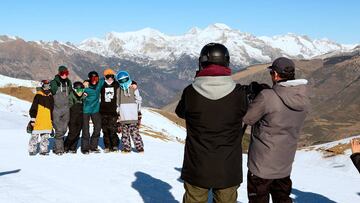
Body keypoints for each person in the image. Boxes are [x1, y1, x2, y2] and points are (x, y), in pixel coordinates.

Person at [175, 43, 248, 203]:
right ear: (227, 62)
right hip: (228, 168)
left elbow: (180, 112)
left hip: (197, 166)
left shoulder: (190, 92)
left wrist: (198, 80)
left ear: (201, 63)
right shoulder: (240, 94)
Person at [243, 57, 310, 203]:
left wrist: (254, 100)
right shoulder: (303, 98)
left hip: (261, 165)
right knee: (282, 199)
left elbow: (248, 119)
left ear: (275, 74)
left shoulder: (267, 97)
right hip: (284, 164)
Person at [116, 71, 144, 153]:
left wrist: (138, 112)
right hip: (123, 116)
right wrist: (118, 114)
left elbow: (139, 100)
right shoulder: (118, 90)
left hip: (132, 115)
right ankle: (127, 148)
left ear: (128, 79)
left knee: (135, 133)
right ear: (119, 81)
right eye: (122, 81)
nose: (124, 82)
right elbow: (117, 103)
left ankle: (140, 148)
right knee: (125, 134)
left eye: (125, 80)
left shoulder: (133, 88)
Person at [50, 65, 72, 155]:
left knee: (64, 130)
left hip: (66, 109)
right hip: (56, 109)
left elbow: (70, 93)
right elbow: (52, 91)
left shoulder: (68, 82)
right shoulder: (54, 82)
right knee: (59, 130)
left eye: (66, 73)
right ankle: (59, 149)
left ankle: (56, 146)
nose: (64, 75)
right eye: (62, 73)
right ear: (59, 73)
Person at [28, 80, 54, 156]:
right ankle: (32, 150)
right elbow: (33, 107)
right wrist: (33, 118)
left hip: (47, 120)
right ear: (42, 86)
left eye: (48, 86)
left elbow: (52, 110)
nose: (47, 88)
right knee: (34, 136)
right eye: (45, 86)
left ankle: (43, 150)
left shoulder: (50, 96)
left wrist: (51, 120)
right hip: (38, 119)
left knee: (45, 136)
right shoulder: (38, 95)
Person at [81, 71, 104, 154]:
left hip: (95, 110)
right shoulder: (85, 87)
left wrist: (133, 83)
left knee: (98, 127)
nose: (94, 80)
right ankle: (85, 148)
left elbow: (108, 78)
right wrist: (84, 84)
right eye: (92, 78)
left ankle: (93, 146)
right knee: (86, 129)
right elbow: (79, 95)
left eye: (96, 78)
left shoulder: (99, 84)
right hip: (85, 110)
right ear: (89, 79)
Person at [100, 68, 120, 153]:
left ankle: (115, 145)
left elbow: (125, 85)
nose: (110, 78)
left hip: (113, 111)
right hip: (103, 111)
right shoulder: (102, 84)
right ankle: (107, 146)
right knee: (105, 130)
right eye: (108, 76)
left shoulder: (117, 84)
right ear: (105, 76)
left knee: (112, 129)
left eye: (112, 76)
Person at [63, 81, 85, 153]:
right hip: (72, 116)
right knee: (72, 132)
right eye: (78, 90)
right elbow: (68, 106)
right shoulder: (70, 96)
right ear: (74, 90)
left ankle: (73, 147)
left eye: (81, 90)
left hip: (80, 116)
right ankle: (66, 145)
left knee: (78, 132)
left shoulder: (83, 96)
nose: (80, 92)